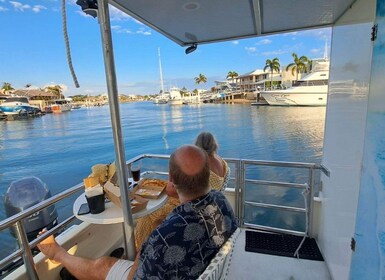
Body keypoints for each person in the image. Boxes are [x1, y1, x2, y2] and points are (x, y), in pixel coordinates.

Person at [37, 145, 237, 280]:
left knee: (102, 264)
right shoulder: (221, 201)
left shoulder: (161, 240)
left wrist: (143, 252)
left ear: (170, 178)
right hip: (210, 266)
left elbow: (135, 276)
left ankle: (57, 253)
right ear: (207, 177)